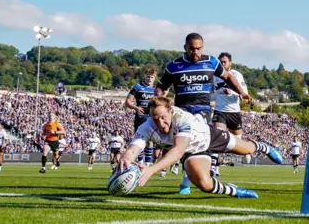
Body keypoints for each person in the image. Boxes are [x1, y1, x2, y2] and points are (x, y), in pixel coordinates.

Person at [117, 97, 283, 198]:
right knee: (205, 185)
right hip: (192, 151)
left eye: (163, 117)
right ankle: (234, 191)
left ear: (171, 112)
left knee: (246, 149)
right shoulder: (146, 127)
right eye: (155, 119)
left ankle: (264, 148)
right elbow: (134, 148)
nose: (160, 123)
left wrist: (151, 169)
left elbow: (177, 151)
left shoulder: (182, 118)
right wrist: (126, 157)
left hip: (209, 137)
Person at [155, 33, 253, 194]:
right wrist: (159, 98)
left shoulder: (211, 62)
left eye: (199, 49)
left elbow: (227, 77)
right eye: (192, 49)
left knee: (194, 140)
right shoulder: (174, 66)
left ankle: (188, 181)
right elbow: (161, 86)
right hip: (181, 112)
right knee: (187, 147)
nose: (196, 52)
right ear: (185, 47)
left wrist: (241, 92)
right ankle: (190, 178)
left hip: (202, 110)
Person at [212, 52, 249, 175]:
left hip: (234, 112)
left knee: (238, 139)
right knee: (217, 137)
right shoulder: (214, 75)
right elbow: (213, 91)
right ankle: (214, 167)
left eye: (224, 62)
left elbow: (244, 92)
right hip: (220, 110)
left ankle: (246, 151)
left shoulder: (236, 75)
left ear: (230, 63)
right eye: (220, 62)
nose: (222, 64)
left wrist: (232, 92)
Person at [125, 65, 157, 165]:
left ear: (155, 78)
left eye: (152, 77)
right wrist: (136, 108)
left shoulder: (156, 89)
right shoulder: (137, 87)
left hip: (152, 117)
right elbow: (127, 102)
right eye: (148, 76)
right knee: (139, 138)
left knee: (150, 140)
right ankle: (140, 161)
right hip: (140, 117)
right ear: (144, 76)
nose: (149, 79)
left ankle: (147, 163)